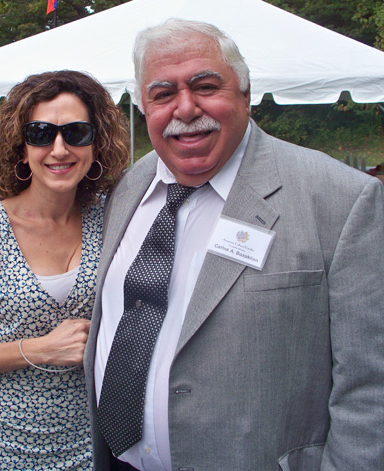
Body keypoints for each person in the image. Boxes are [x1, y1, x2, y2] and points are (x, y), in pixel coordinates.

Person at [84, 19, 384, 471]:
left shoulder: (342, 199)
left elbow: (371, 386)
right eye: (163, 94)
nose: (185, 108)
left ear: (246, 93)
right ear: (144, 107)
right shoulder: (128, 186)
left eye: (205, 86)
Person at [0, 70, 129, 470]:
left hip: (95, 447)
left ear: (96, 144)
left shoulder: (112, 218)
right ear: (21, 148)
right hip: (5, 449)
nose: (59, 149)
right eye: (41, 133)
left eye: (76, 133)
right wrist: (40, 349)